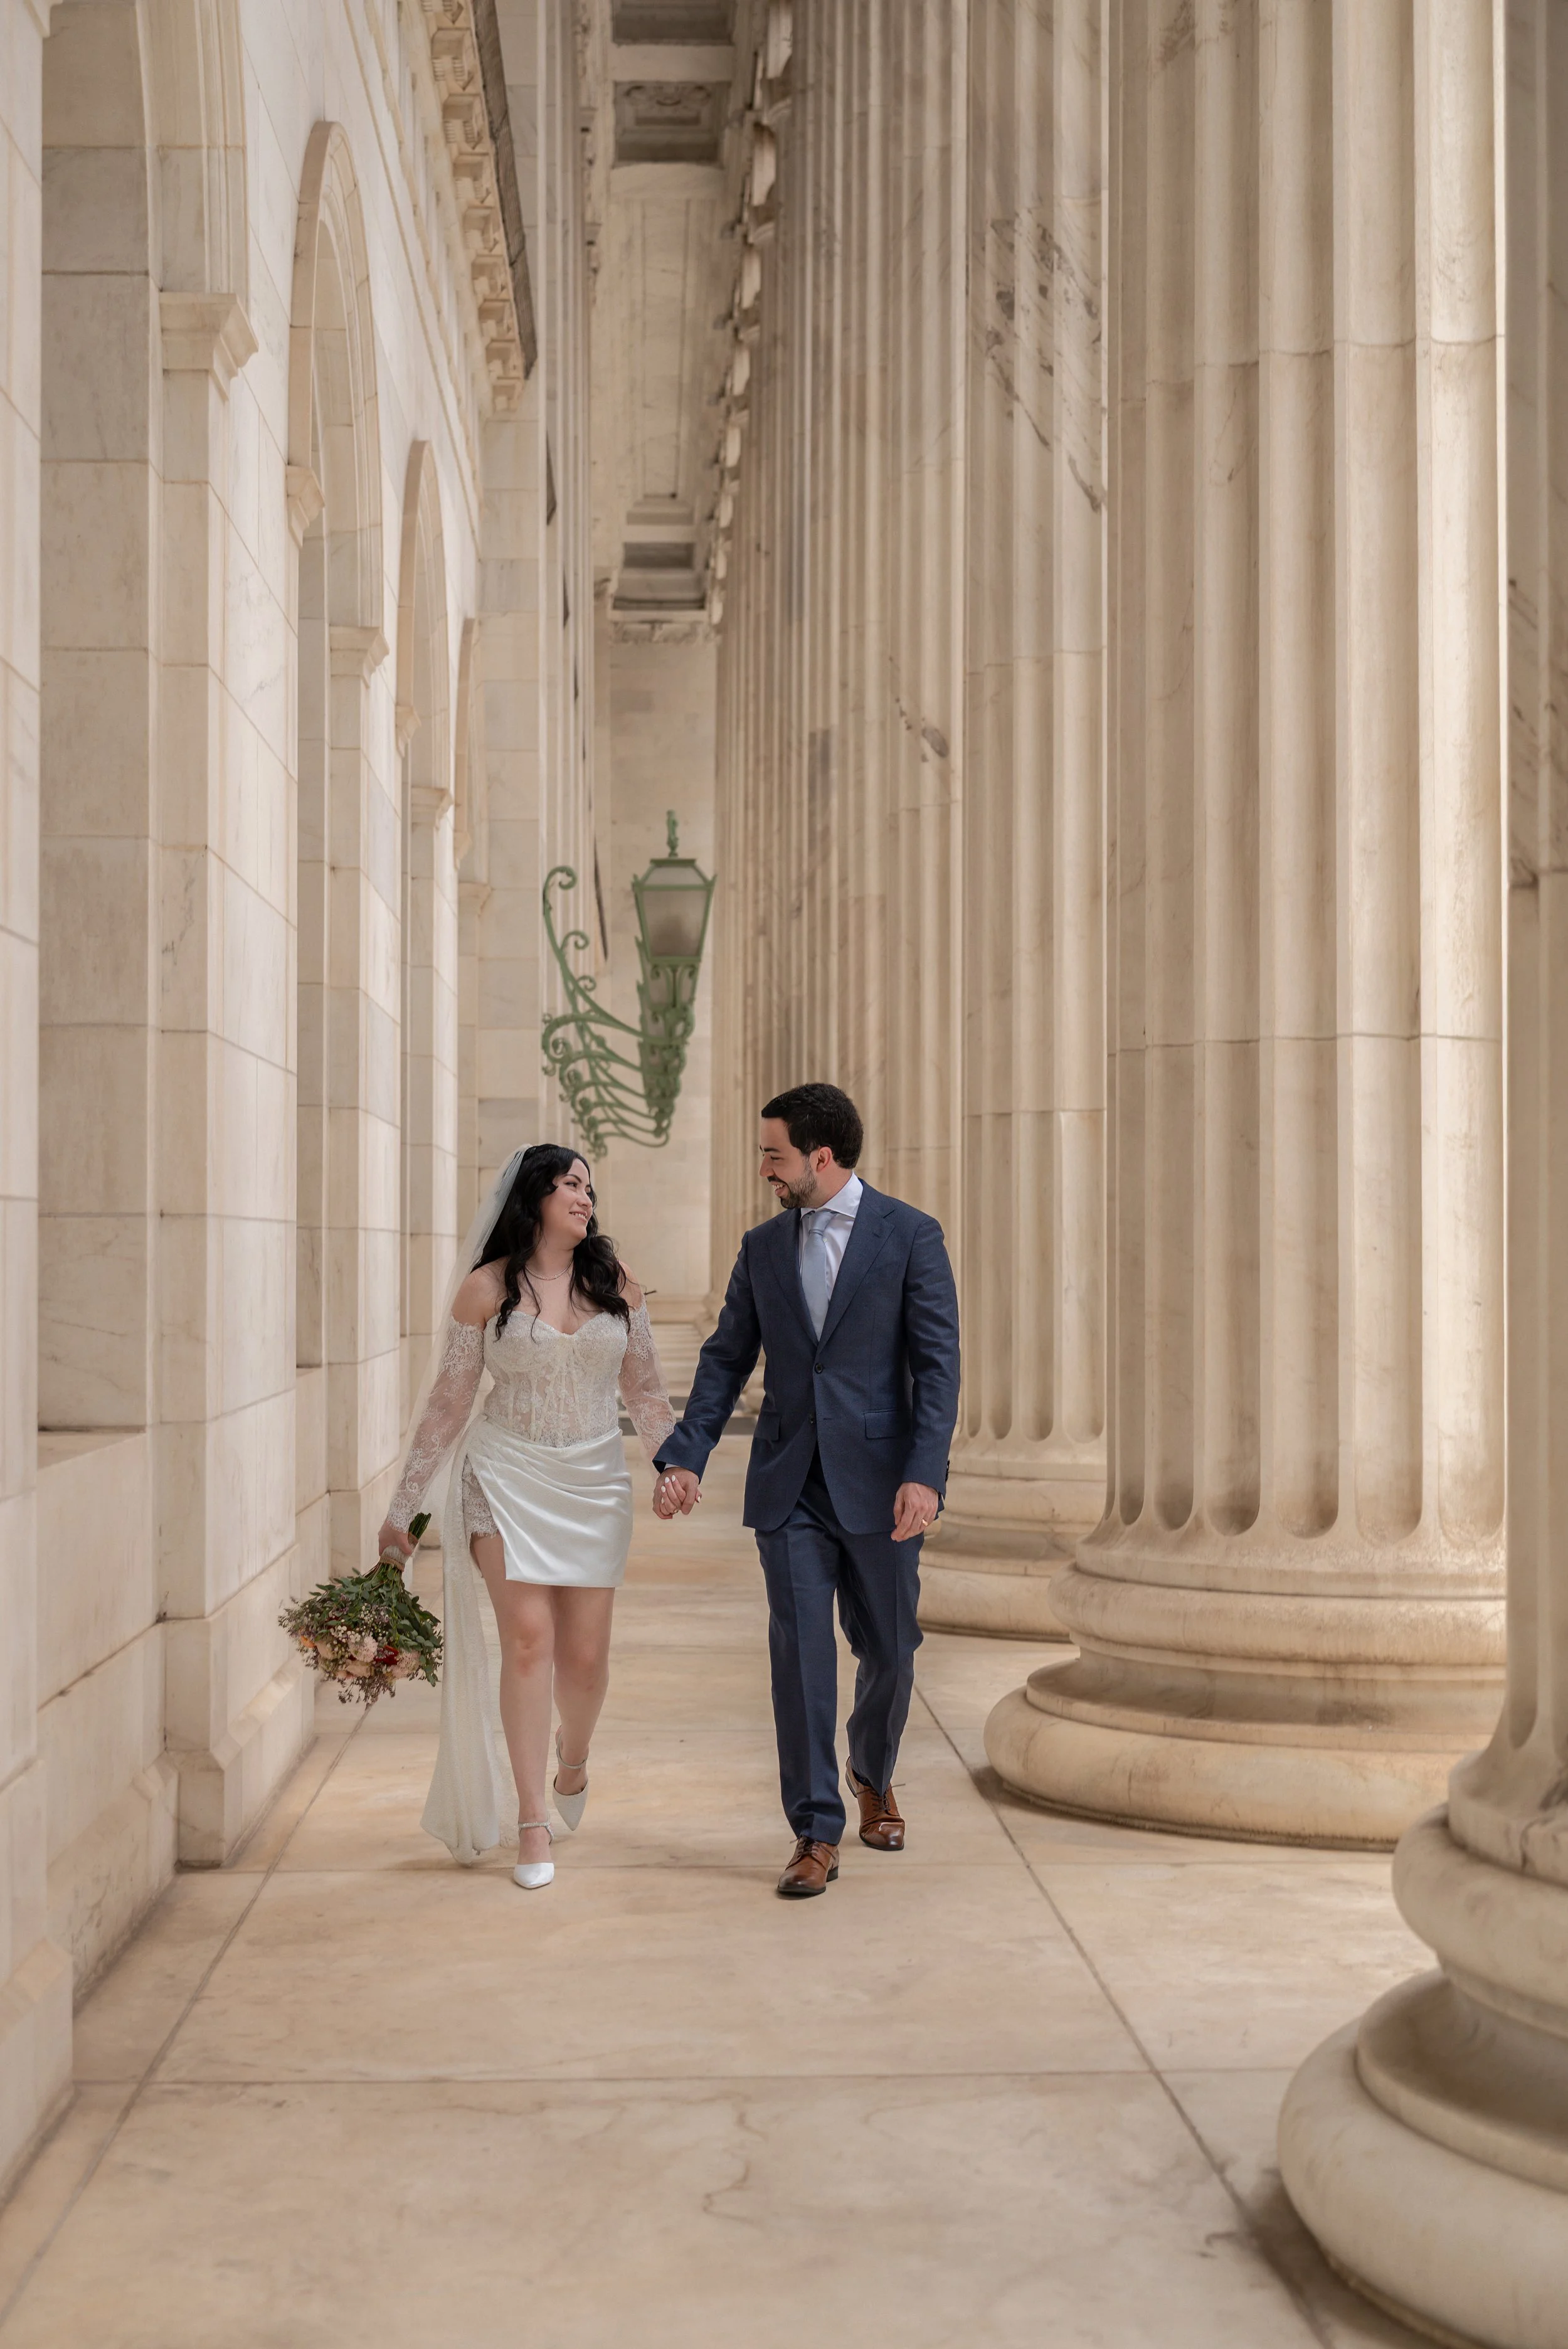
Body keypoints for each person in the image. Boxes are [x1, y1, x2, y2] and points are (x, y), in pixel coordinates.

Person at [653, 1083, 960, 1897]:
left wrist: (925, 1474)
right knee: (800, 1655)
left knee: (891, 1652)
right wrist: (687, 1454)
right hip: (790, 1484)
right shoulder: (762, 1249)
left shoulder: (910, 1236)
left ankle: (872, 1771)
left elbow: (938, 1369)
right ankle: (815, 1829)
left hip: (884, 1483)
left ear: (821, 1157)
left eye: (774, 1153)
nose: (764, 1168)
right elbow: (724, 1360)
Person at [378, 1143, 674, 1890]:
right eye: (571, 1184)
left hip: (594, 1482)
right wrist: (402, 1508)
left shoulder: (616, 1283)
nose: (584, 1197)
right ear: (535, 1195)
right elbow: (448, 1403)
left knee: (585, 1660)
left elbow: (644, 1390)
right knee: (528, 1640)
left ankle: (572, 1758)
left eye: (589, 1187)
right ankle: (531, 1818)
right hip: (503, 1472)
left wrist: (670, 1465)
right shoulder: (485, 1291)